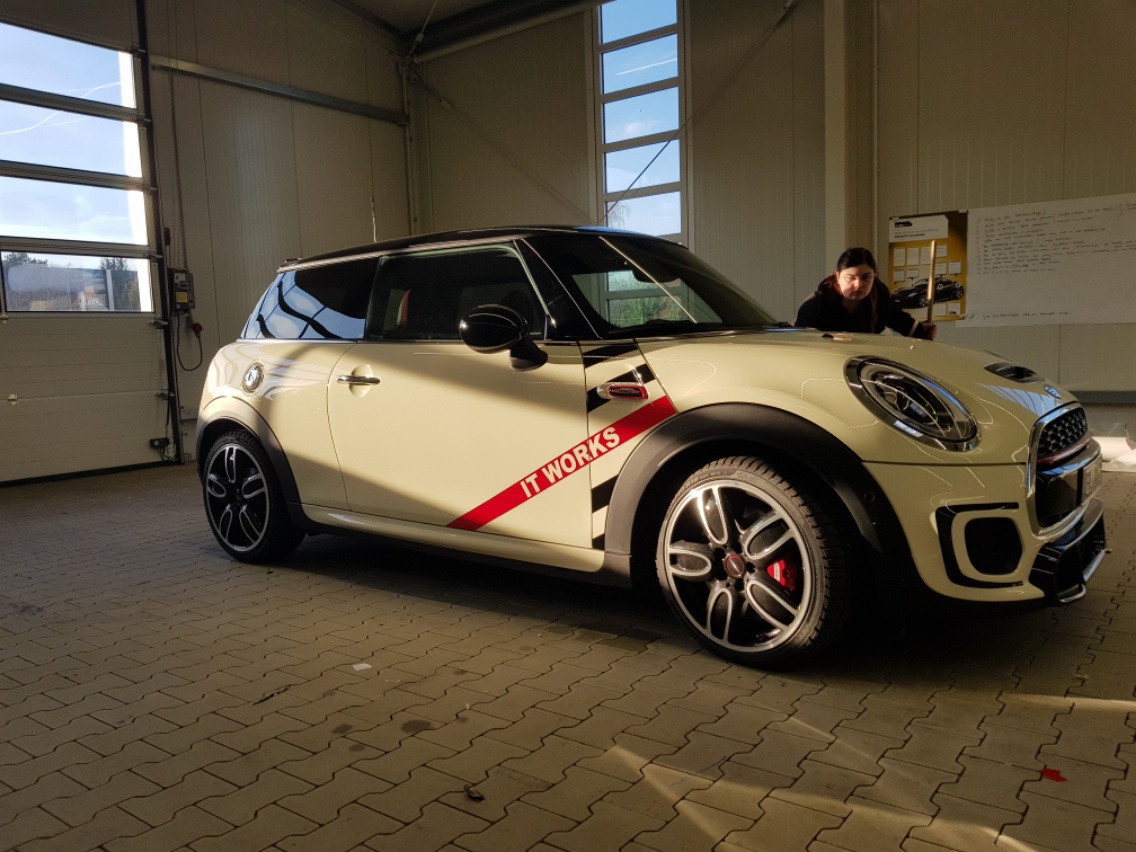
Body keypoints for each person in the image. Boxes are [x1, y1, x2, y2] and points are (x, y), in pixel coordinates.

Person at [795, 247, 937, 339]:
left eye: (866, 278)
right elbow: (802, 342)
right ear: (838, 277)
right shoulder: (815, 306)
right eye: (850, 278)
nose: (858, 285)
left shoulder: (879, 293)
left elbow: (894, 317)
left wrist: (920, 331)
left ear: (875, 275)